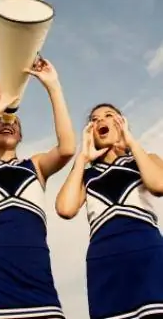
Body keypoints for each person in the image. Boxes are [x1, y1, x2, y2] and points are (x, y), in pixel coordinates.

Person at [0, 57, 75, 319]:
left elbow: (67, 149)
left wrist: (53, 86)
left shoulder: (36, 166)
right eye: (0, 122)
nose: (8, 123)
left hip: (35, 278)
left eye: (15, 124)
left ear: (20, 136)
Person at [56, 103, 163, 319]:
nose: (100, 121)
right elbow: (65, 208)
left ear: (120, 123)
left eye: (108, 116)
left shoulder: (144, 160)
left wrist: (131, 142)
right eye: (94, 120)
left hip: (147, 252)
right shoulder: (87, 176)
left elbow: (158, 185)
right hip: (104, 260)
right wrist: (82, 159)